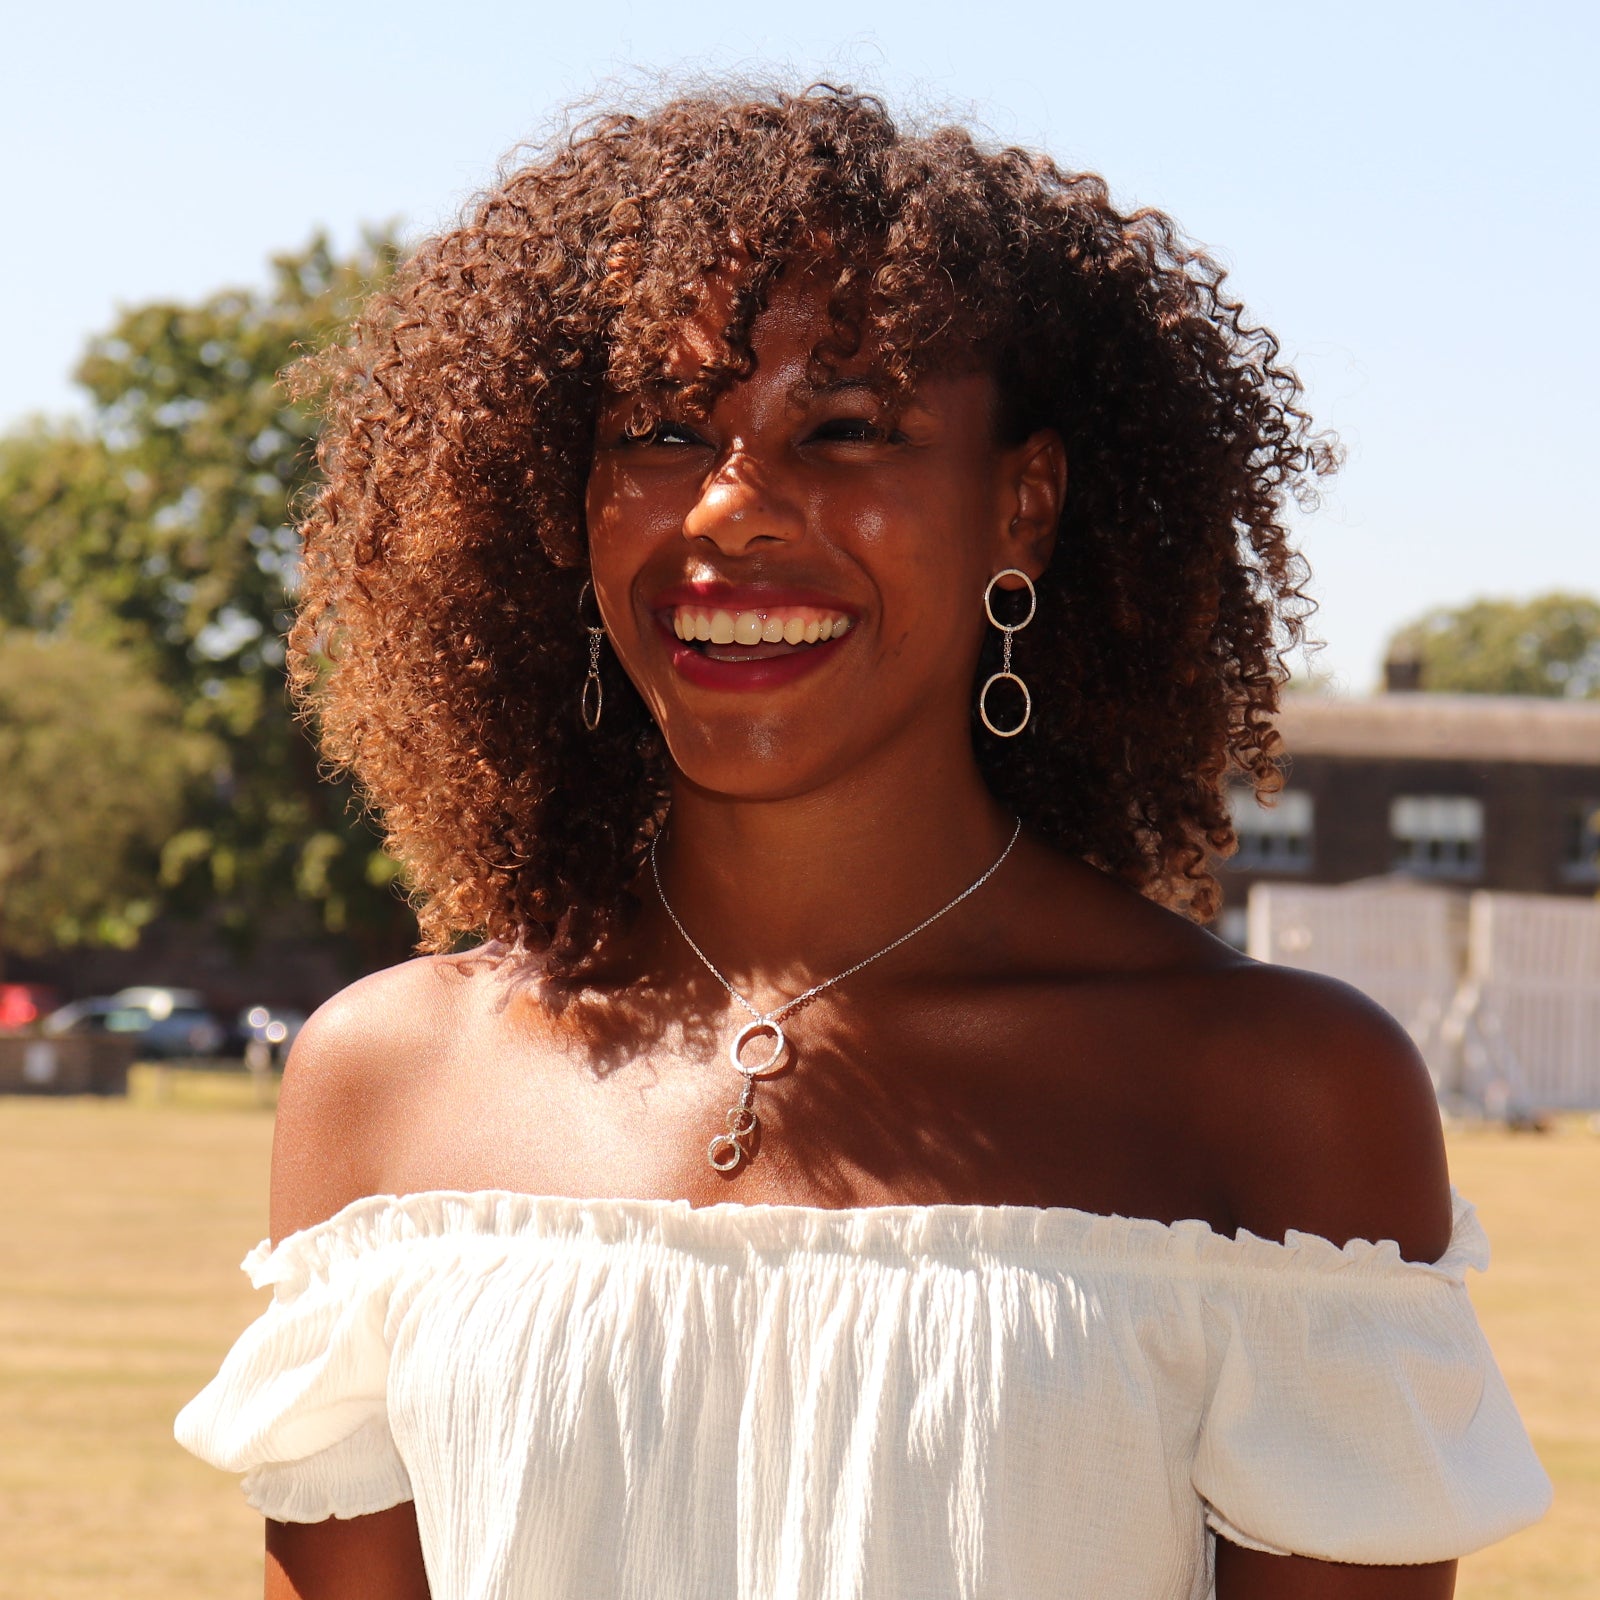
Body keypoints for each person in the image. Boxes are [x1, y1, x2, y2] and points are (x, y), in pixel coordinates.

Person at [176, 84, 1549, 1600]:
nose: (730, 507)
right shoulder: (386, 1082)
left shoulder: (1281, 1093)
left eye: (845, 428)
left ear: (1023, 509)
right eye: (658, 429)